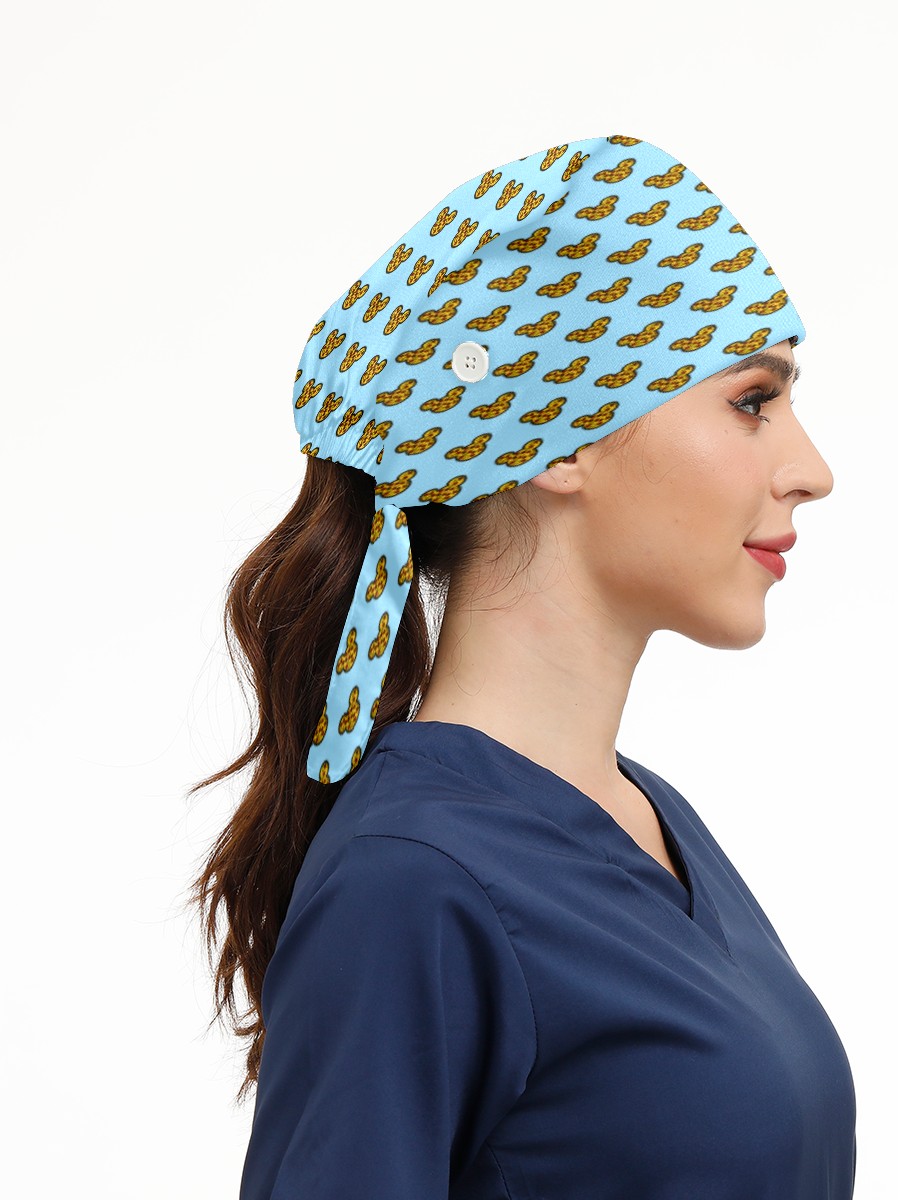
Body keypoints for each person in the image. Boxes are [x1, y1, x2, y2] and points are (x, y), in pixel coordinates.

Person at [188, 131, 856, 1198]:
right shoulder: (413, 879)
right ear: (561, 436)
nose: (810, 469)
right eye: (751, 401)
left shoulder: (646, 819)